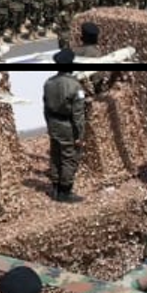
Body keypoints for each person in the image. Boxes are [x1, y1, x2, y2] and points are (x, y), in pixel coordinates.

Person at [43, 49, 88, 202]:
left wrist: (49, 125)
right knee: (69, 158)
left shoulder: (48, 83)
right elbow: (78, 115)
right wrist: (80, 135)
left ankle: (55, 187)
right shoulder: (75, 86)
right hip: (68, 125)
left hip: (54, 123)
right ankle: (65, 191)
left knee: (55, 155)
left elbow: (46, 108)